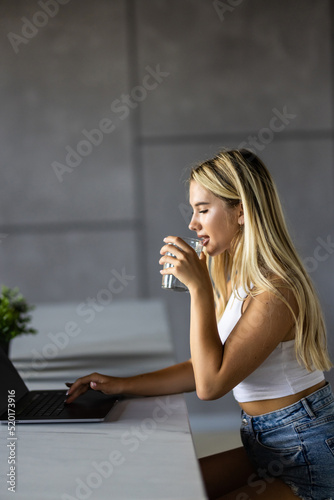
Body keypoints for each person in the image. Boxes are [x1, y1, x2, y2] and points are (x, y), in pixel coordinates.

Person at [66, 149, 334, 499]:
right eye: (194, 210)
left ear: (241, 211)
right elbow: (203, 367)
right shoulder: (235, 275)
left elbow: (210, 386)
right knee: (165, 490)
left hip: (307, 450)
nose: (192, 224)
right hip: (265, 444)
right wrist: (118, 385)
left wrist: (199, 290)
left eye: (203, 210)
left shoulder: (276, 290)